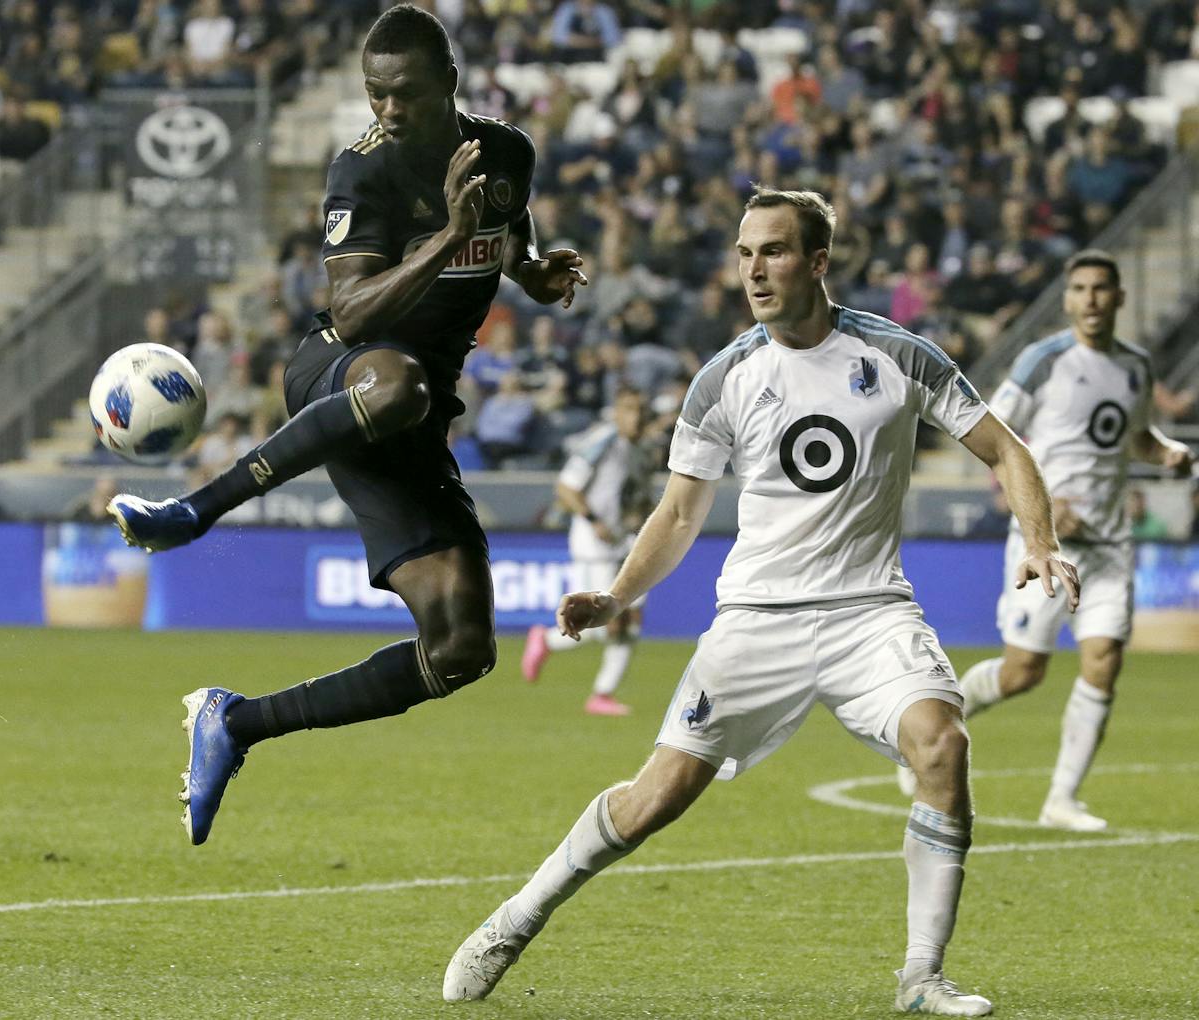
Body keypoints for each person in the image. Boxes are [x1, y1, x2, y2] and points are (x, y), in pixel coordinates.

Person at [442, 188, 1080, 1016]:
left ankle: (922, 976)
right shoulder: (725, 379)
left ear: (818, 262)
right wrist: (615, 595)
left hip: (869, 612)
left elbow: (1007, 447)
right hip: (756, 620)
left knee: (942, 745)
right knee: (653, 799)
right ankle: (513, 920)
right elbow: (678, 512)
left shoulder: (900, 356)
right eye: (745, 254)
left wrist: (1039, 541)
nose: (754, 270)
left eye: (774, 251)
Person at [107, 4, 586, 846]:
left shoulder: (506, 151)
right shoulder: (359, 173)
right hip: (340, 373)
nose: (388, 109)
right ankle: (196, 509)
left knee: (461, 647)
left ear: (448, 82)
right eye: (375, 93)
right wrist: (447, 236)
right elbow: (354, 310)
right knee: (394, 379)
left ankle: (235, 723)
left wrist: (533, 273)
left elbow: (507, 235)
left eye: (403, 93)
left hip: (413, 414)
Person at [931, 251, 1192, 831]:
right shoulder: (1043, 360)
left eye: (1102, 288)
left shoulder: (1135, 367)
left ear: (1120, 297)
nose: (1092, 299)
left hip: (1109, 545)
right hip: (1043, 545)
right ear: (1068, 298)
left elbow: (1133, 436)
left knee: (1104, 661)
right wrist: (1039, 515)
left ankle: (1062, 800)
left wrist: (1166, 453)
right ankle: (935, 727)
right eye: (1080, 288)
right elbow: (989, 435)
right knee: (1024, 672)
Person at [521, 387, 654, 715]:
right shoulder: (602, 442)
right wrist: (594, 520)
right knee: (601, 621)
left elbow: (639, 498)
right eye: (628, 409)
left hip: (625, 543)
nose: (635, 418)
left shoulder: (643, 450)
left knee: (631, 619)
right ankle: (546, 639)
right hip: (594, 544)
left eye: (640, 411)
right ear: (616, 412)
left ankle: (603, 694)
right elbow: (566, 488)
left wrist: (641, 516)